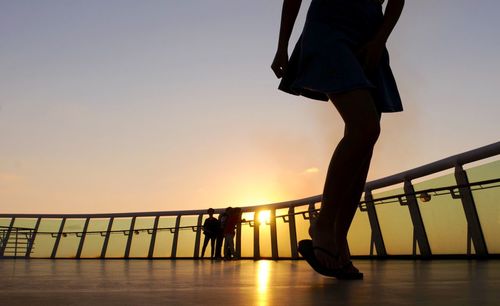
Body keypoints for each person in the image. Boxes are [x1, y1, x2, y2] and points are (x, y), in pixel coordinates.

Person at [271, 0, 404, 279]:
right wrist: (282, 46)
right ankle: (323, 225)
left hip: (368, 36)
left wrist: (380, 40)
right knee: (364, 126)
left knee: (365, 142)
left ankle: (338, 240)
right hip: (328, 29)